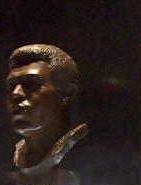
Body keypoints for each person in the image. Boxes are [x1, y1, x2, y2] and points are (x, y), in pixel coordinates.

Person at [6, 44, 88, 176]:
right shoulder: (19, 155)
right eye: (11, 86)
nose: (16, 93)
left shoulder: (85, 152)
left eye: (31, 84)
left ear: (67, 92)